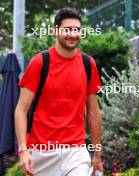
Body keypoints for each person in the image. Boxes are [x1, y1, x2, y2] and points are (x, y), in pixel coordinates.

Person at [15, 7, 103, 176]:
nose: (73, 34)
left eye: (77, 30)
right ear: (55, 31)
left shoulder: (88, 64)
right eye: (67, 29)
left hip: (76, 151)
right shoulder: (40, 62)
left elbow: (94, 112)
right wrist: (23, 150)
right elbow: (21, 110)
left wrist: (97, 154)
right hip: (41, 152)